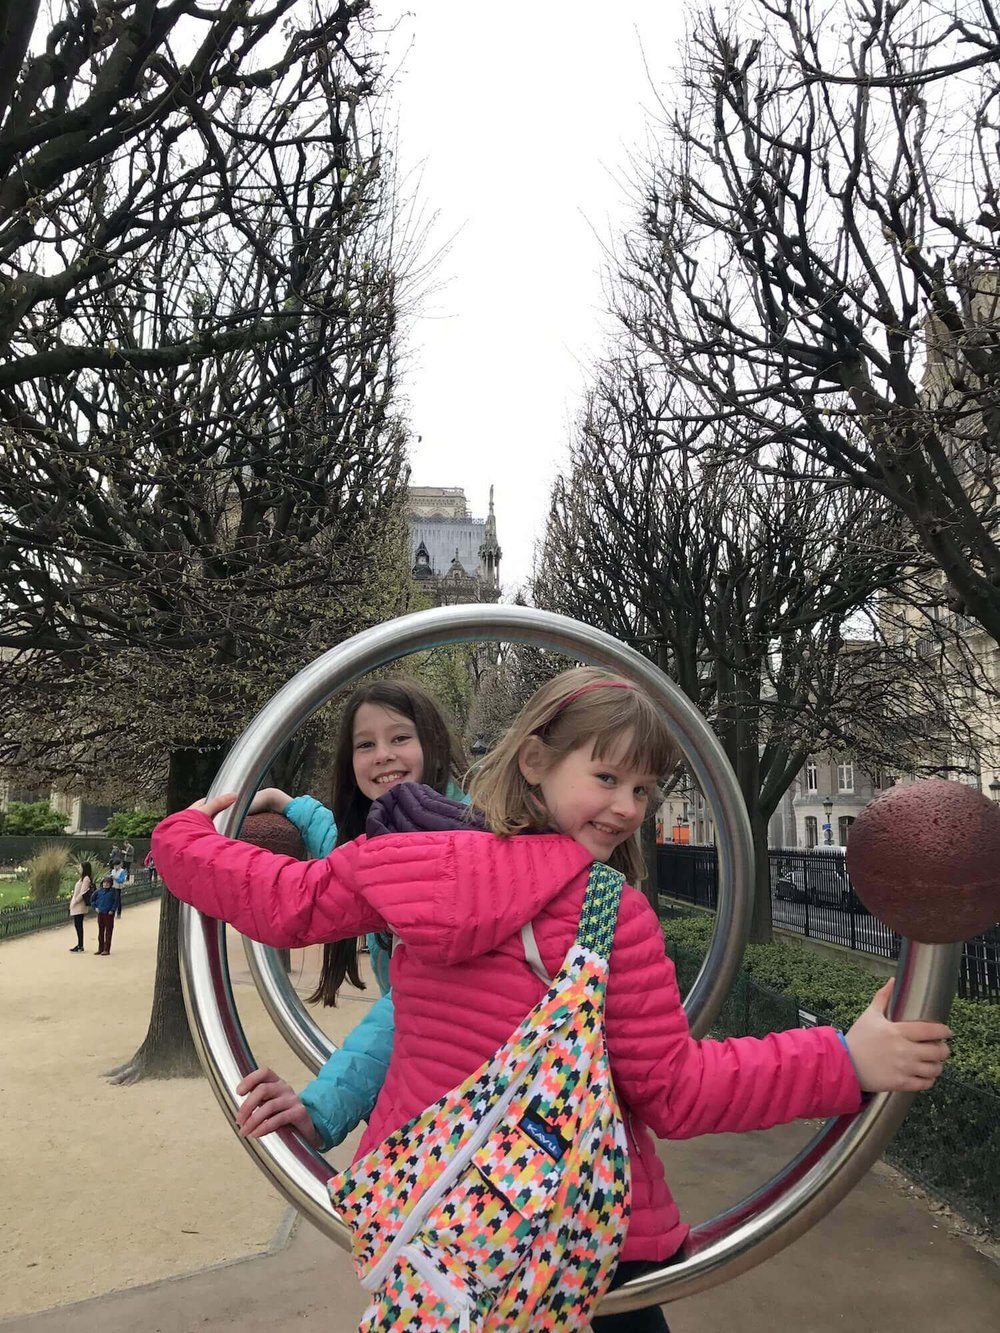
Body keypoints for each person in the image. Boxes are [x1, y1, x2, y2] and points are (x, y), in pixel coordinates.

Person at [151, 668, 952, 1332]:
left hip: (438, 1228)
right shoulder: (612, 913)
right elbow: (675, 1091)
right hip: (584, 1244)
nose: (628, 807)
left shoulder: (414, 863)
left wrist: (182, 838)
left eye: (644, 786)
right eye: (607, 777)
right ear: (534, 761)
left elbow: (284, 901)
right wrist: (843, 1058)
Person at [236, 678, 467, 1152]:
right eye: (366, 744)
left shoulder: (458, 852)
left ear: (434, 743)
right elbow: (340, 846)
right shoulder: (388, 834)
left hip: (465, 1089)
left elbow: (408, 1006)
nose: (383, 754)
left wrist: (323, 1107)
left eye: (400, 738)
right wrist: (283, 801)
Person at [67, 862, 92, 953]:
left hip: (79, 905)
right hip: (76, 904)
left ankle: (80, 945)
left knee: (79, 925)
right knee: (77, 925)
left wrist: (75, 902)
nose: (79, 869)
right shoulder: (82, 878)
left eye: (80, 867)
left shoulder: (86, 879)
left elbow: (83, 893)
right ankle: (79, 944)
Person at [92, 875, 117, 955]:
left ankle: (107, 949)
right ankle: (100, 948)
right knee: (101, 931)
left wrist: (112, 910)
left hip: (108, 914)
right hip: (101, 913)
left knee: (108, 931)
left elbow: (116, 901)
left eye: (107, 883)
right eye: (104, 883)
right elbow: (92, 899)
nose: (105, 884)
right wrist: (95, 907)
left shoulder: (113, 892)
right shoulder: (98, 891)